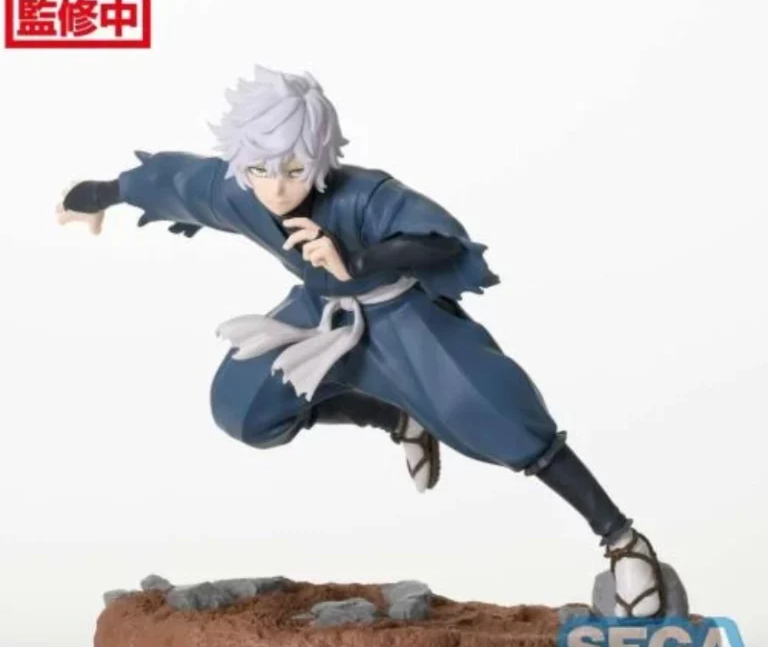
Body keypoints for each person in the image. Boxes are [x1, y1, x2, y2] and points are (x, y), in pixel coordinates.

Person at [57, 64, 666, 618]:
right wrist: (101, 192)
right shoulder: (241, 190)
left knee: (499, 417)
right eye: (261, 168)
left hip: (405, 321)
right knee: (243, 405)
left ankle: (622, 539)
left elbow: (441, 241)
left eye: (295, 169)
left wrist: (359, 258)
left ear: (320, 158)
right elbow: (179, 181)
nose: (276, 186)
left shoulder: (363, 194)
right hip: (320, 318)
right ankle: (396, 418)